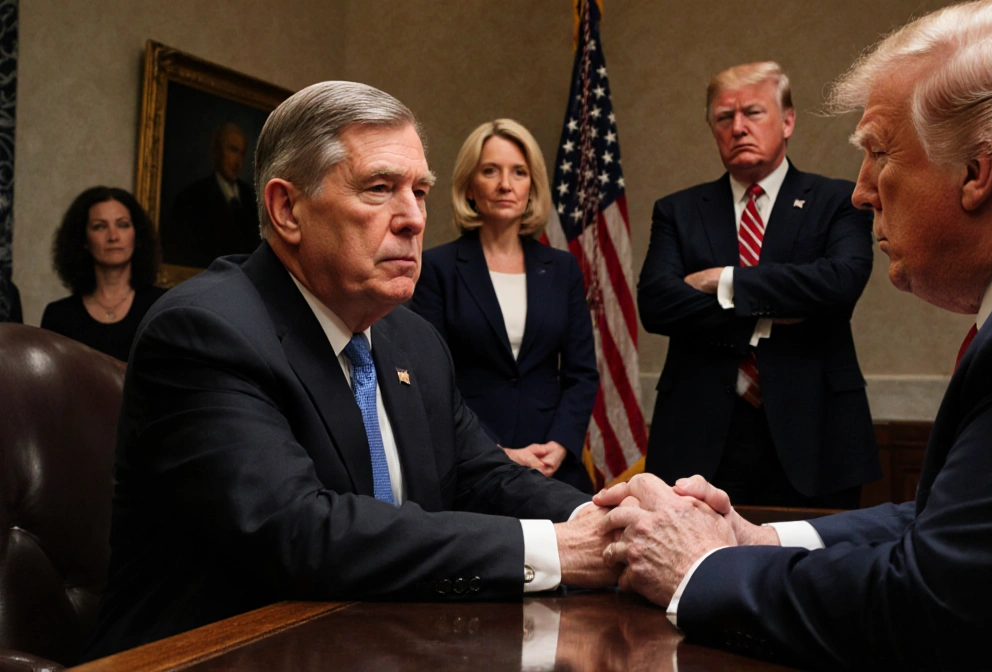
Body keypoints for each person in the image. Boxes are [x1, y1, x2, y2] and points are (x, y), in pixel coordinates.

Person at [600, 1, 992, 668]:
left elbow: (936, 606)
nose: (861, 193)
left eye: (880, 153)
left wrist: (705, 566)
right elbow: (962, 520)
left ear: (979, 170)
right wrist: (760, 540)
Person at [84, 82, 617, 660]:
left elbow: (484, 477)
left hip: (386, 644)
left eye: (419, 191)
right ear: (287, 209)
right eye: (380, 189)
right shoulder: (205, 331)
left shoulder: (411, 338)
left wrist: (610, 521)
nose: (413, 220)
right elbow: (299, 533)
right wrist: (560, 548)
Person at [637, 61, 878, 509]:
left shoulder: (837, 201)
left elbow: (839, 284)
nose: (738, 127)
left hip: (816, 432)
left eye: (753, 112)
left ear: (788, 121)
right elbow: (656, 304)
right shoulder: (679, 211)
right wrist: (775, 306)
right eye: (724, 118)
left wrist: (724, 281)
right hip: (700, 437)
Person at [409, 120, 599, 493]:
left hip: (553, 464)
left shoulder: (562, 268)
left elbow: (582, 374)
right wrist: (495, 450)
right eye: (490, 171)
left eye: (519, 172)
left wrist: (560, 445)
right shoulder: (436, 269)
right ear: (469, 186)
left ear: (533, 187)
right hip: (472, 462)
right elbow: (432, 377)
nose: (505, 185)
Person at [41, 186, 165, 361]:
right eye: (99, 227)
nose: (113, 236)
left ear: (137, 236)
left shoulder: (162, 307)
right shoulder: (59, 315)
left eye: (122, 225)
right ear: (83, 240)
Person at [160, 122, 261, 268]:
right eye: (233, 150)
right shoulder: (191, 197)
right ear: (217, 152)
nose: (238, 161)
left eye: (242, 153)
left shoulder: (252, 198)